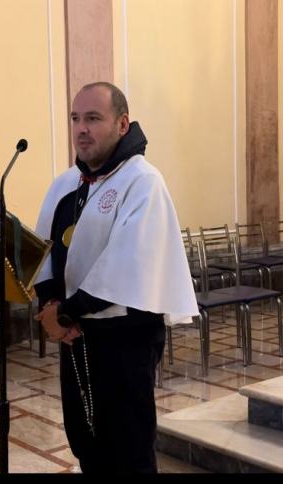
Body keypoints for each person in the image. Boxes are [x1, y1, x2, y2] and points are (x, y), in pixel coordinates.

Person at [34, 82, 198, 473]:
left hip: (124, 336)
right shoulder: (66, 184)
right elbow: (43, 250)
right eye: (76, 118)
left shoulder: (141, 181)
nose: (81, 129)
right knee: (85, 436)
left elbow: (129, 261)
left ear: (122, 124)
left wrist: (67, 313)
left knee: (127, 442)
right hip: (75, 333)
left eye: (93, 118)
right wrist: (51, 305)